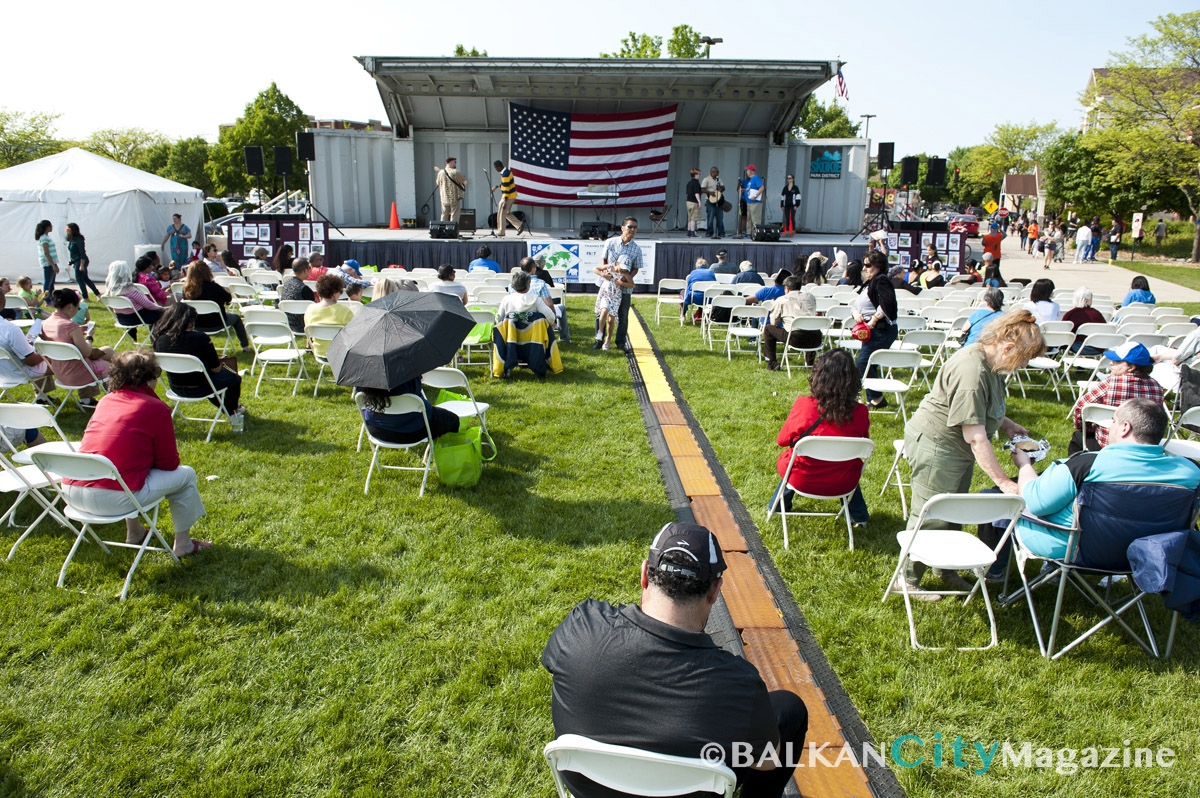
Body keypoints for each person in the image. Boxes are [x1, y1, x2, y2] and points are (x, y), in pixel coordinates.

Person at [542, 521, 807, 798]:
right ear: (715, 591)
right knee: (790, 710)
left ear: (645, 573)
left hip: (590, 789)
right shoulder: (738, 685)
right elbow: (767, 761)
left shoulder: (580, 628)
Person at [899, 310, 1044, 597]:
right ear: (1008, 347)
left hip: (957, 450)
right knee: (931, 514)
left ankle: (944, 568)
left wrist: (1007, 424)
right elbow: (975, 437)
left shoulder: (992, 363)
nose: (1023, 365)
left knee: (952, 511)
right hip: (938, 446)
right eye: (1023, 358)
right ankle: (907, 579)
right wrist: (1004, 482)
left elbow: (984, 408)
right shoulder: (972, 369)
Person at [999, 399, 1200, 569]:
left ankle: (994, 575)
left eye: (1113, 421)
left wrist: (1024, 465)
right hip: (1151, 556)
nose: (1109, 427)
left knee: (1001, 505)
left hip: (1077, 550)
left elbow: (1034, 502)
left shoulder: (1086, 464)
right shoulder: (1191, 472)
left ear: (1125, 428)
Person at [60, 349, 211, 558]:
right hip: (113, 498)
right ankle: (183, 544)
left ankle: (135, 531)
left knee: (124, 470)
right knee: (187, 475)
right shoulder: (155, 407)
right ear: (150, 378)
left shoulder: (105, 401)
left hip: (71, 492)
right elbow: (169, 464)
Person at [773, 349, 871, 524]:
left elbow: (782, 440)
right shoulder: (861, 412)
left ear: (819, 376)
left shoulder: (804, 406)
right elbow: (862, 445)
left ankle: (779, 506)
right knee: (849, 462)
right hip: (844, 481)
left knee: (794, 456)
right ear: (853, 380)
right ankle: (858, 515)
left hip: (802, 477)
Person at [152, 302, 244, 422]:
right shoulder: (200, 338)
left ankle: (228, 408)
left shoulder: (159, 340)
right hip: (201, 387)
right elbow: (215, 368)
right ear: (189, 321)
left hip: (176, 387)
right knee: (233, 378)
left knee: (212, 379)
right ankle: (232, 410)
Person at [1069, 342, 1164, 454]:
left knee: (1078, 437)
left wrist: (1086, 429)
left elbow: (1081, 408)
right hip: (1141, 448)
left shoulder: (1109, 383)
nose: (1111, 363)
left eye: (1117, 361)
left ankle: (1076, 467)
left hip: (1106, 444)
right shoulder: (1156, 387)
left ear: (1131, 367)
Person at [41, 289, 115, 405]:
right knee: (114, 366)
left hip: (60, 372)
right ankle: (114, 400)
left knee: (108, 351)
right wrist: (89, 337)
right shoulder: (70, 326)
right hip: (78, 373)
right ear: (71, 307)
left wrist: (78, 332)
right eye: (78, 308)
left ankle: (88, 399)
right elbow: (86, 352)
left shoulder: (45, 323)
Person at [853, 252, 899, 409]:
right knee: (869, 364)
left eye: (868, 265)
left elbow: (887, 302)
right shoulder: (870, 281)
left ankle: (875, 398)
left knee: (863, 362)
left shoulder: (882, 280)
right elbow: (856, 303)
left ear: (878, 266)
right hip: (871, 329)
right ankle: (875, 399)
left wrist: (873, 320)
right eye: (864, 265)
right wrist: (855, 313)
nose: (864, 268)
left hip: (881, 329)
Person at [359, 379, 460, 444]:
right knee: (453, 420)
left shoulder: (363, 375)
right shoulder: (408, 373)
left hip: (377, 430)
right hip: (412, 432)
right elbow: (427, 411)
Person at [182, 261, 250, 352]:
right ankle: (245, 346)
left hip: (195, 324)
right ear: (207, 272)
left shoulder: (186, 290)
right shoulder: (214, 287)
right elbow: (228, 298)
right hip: (217, 322)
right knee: (237, 318)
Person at [0, 292, 55, 398]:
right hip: (18, 373)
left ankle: (42, 397)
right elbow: (32, 361)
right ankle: (86, 399)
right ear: (4, 302)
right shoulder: (10, 329)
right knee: (68, 357)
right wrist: (46, 351)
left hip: (3, 373)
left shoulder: (9, 329)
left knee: (35, 350)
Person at [599, 217, 642, 349]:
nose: (632, 230)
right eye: (630, 226)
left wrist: (625, 278)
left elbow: (636, 268)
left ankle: (620, 342)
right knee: (602, 313)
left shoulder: (637, 249)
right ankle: (599, 340)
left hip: (624, 289)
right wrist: (604, 274)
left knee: (622, 315)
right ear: (622, 228)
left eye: (635, 227)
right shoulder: (610, 242)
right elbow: (603, 261)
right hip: (608, 285)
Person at [761, 275, 818, 371]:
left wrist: (773, 306)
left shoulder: (782, 300)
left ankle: (772, 363)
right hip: (815, 338)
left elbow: (773, 322)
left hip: (796, 338)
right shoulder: (811, 297)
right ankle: (810, 363)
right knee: (809, 326)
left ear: (786, 288)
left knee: (768, 329)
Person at [303, 274, 356, 359]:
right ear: (335, 293)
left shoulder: (310, 309)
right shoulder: (345, 312)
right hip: (341, 356)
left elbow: (308, 334)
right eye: (340, 291)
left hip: (319, 353)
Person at [105, 260, 165, 334]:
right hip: (136, 318)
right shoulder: (130, 291)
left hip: (121, 319)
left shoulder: (110, 292)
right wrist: (159, 307)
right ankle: (157, 336)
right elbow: (148, 305)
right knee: (161, 314)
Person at [1061, 287, 1107, 353]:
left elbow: (1064, 332)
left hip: (1078, 347)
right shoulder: (1097, 314)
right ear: (1086, 301)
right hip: (1098, 348)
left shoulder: (1071, 314)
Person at [593, 260, 625, 351]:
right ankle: (600, 333)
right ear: (617, 263)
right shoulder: (609, 267)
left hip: (616, 296)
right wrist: (603, 275)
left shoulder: (624, 273)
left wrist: (622, 282)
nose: (622, 268)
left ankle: (608, 339)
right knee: (604, 311)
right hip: (606, 293)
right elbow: (595, 269)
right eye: (621, 266)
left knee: (611, 320)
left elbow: (632, 284)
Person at [279, 257, 315, 333]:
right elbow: (315, 307)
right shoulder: (304, 289)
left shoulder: (287, 283)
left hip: (287, 322)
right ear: (305, 270)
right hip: (302, 325)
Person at [64, 223, 100, 301]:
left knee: (79, 279)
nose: (66, 231)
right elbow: (72, 252)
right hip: (76, 260)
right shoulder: (71, 239)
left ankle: (85, 297)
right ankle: (97, 294)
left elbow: (82, 252)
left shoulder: (79, 239)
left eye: (68, 229)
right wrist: (72, 262)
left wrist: (82, 265)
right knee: (85, 278)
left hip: (81, 260)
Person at [491, 160, 525, 236]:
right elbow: (505, 184)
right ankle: (519, 225)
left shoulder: (505, 174)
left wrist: (505, 201)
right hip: (512, 195)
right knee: (506, 213)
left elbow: (506, 188)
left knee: (501, 213)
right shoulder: (507, 172)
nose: (496, 169)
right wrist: (496, 187)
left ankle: (501, 232)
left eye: (496, 168)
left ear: (499, 167)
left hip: (507, 197)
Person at [435, 155, 466, 223]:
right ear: (451, 162)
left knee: (444, 214)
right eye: (455, 162)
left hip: (444, 198)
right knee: (455, 215)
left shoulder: (440, 173)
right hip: (454, 197)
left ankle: (442, 230)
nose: (455, 163)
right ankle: (453, 231)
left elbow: (438, 183)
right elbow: (465, 182)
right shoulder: (455, 172)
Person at [35, 219, 59, 293]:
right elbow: (46, 252)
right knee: (48, 282)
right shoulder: (44, 237)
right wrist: (53, 265)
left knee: (51, 282)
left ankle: (51, 297)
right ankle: (47, 299)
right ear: (48, 227)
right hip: (47, 262)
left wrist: (55, 264)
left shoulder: (47, 237)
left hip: (51, 262)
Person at [701, 166, 725, 238]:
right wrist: (710, 193)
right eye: (716, 172)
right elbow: (702, 189)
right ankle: (709, 232)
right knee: (710, 217)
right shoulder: (706, 179)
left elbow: (723, 187)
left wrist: (720, 189)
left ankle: (721, 232)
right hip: (710, 200)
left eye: (718, 172)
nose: (717, 173)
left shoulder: (719, 179)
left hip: (718, 200)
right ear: (712, 172)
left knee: (720, 217)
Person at [742, 164, 764, 237]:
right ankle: (749, 233)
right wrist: (744, 190)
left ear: (751, 171)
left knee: (755, 219)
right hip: (749, 202)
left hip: (755, 202)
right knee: (749, 218)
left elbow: (761, 188)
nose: (747, 172)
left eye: (747, 170)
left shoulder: (756, 178)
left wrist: (755, 196)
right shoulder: (751, 179)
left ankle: (756, 234)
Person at [684, 168, 703, 239]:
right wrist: (699, 202)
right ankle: (692, 233)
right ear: (695, 175)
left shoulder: (689, 183)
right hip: (694, 202)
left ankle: (689, 232)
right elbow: (696, 193)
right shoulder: (696, 183)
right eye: (699, 174)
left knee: (689, 218)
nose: (699, 175)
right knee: (693, 218)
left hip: (688, 202)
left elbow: (687, 193)